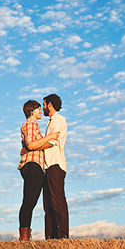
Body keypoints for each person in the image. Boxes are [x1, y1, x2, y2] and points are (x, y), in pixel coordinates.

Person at [17, 100, 59, 241]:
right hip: (32, 165)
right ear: (32, 111)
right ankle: (24, 237)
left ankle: (26, 234)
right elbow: (31, 144)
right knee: (29, 202)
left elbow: (32, 145)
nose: (41, 112)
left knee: (30, 202)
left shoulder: (35, 126)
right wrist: (50, 137)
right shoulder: (30, 124)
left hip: (36, 166)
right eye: (39, 109)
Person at [41, 94, 69, 239]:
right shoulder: (49, 122)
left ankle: (62, 236)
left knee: (58, 202)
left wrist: (32, 148)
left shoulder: (59, 119)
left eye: (44, 104)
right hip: (47, 167)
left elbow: (52, 141)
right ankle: (50, 238)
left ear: (50, 104)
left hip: (55, 165)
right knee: (48, 206)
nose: (43, 107)